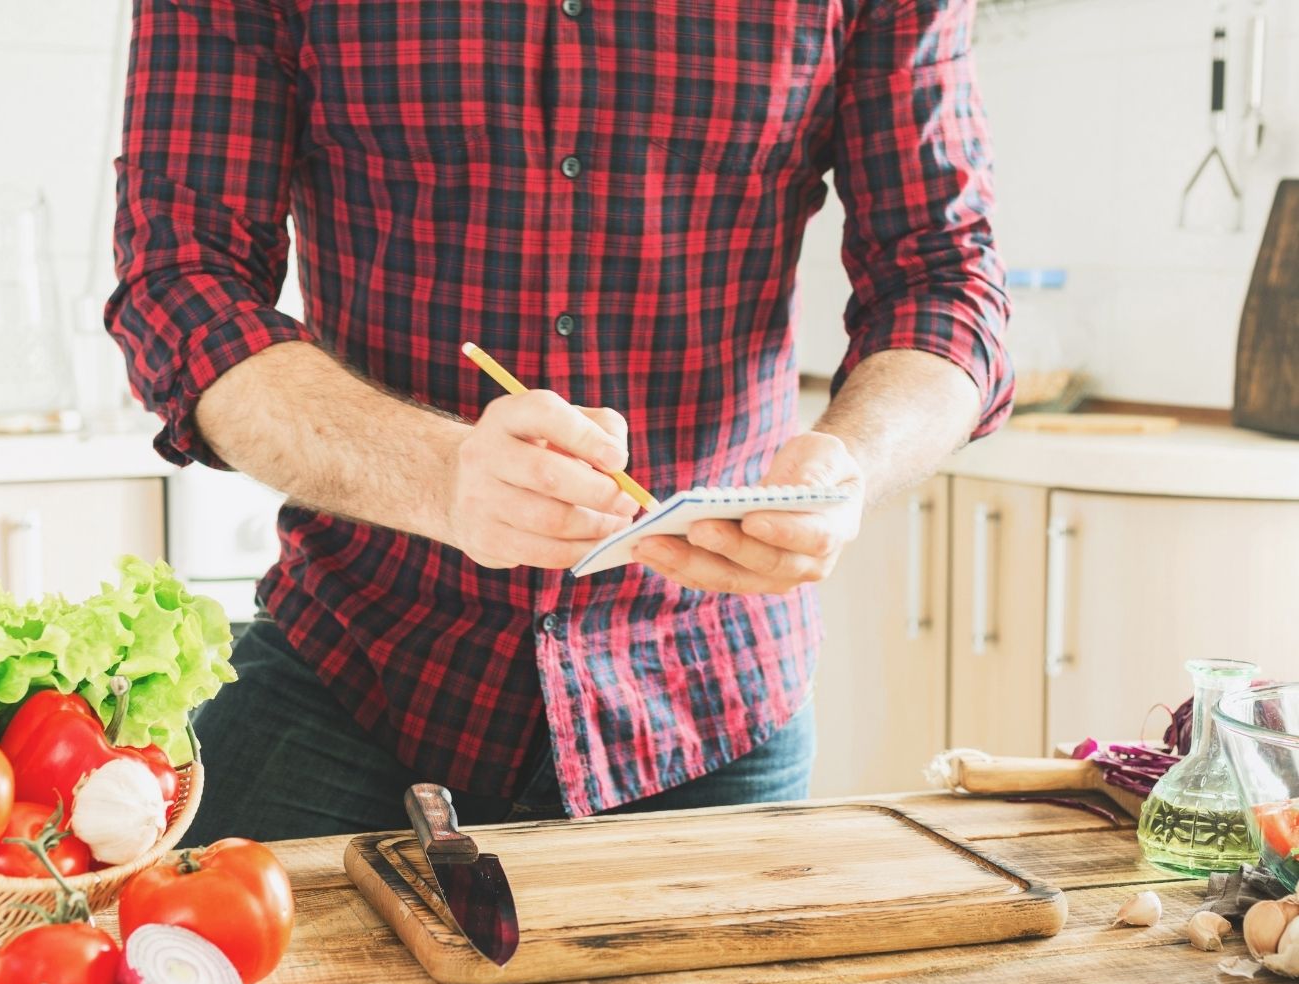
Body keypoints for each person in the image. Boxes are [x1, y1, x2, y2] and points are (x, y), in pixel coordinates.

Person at [107, 0, 1011, 844]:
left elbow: (945, 281)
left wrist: (849, 463)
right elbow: (181, 282)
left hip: (713, 700)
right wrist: (438, 475)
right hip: (354, 667)